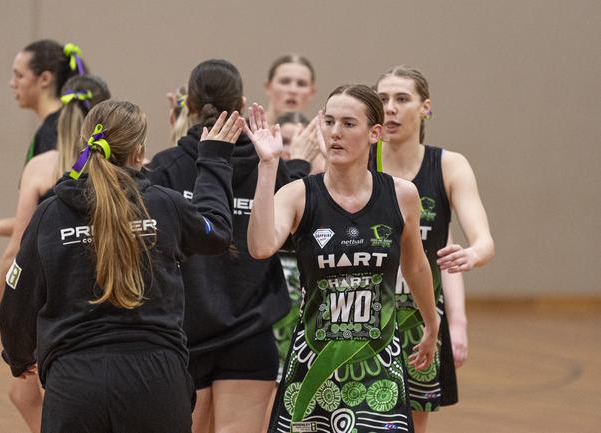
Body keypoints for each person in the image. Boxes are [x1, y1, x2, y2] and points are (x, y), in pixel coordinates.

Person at [0, 100, 241, 433]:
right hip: (156, 380)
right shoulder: (164, 204)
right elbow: (217, 232)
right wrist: (213, 158)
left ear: (85, 146)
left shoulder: (50, 214)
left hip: (75, 383)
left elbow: (16, 295)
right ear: (139, 153)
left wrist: (18, 354)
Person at [246, 84, 440, 433]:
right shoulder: (298, 194)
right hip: (313, 362)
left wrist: (432, 323)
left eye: (349, 124)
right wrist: (267, 166)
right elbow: (260, 247)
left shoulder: (401, 195)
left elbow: (415, 266)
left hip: (377, 363)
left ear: (374, 134)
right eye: (330, 122)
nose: (336, 132)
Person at [148, 58, 318, 433]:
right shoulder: (267, 165)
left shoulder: (165, 167)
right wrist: (300, 168)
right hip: (250, 334)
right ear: (241, 104)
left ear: (189, 106)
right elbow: (295, 232)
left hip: (183, 334)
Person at [0, 74, 110, 433]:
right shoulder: (120, 169)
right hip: (108, 288)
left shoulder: (44, 166)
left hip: (54, 299)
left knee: (47, 395)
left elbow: (17, 252)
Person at [372, 65, 494, 433]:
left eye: (402, 99)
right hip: (360, 316)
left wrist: (472, 256)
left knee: (408, 424)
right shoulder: (357, 163)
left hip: (418, 317)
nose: (390, 108)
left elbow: (482, 241)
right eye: (382, 100)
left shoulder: (448, 166)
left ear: (425, 107)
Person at [0, 39, 87, 249]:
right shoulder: (71, 126)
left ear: (44, 79)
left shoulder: (53, 135)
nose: (12, 83)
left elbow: (52, 219)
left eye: (19, 75)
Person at [264, 54, 316, 125]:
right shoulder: (244, 132)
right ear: (268, 88)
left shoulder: (321, 135)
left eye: (301, 84)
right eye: (285, 82)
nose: (293, 90)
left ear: (311, 93)